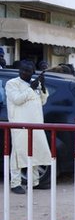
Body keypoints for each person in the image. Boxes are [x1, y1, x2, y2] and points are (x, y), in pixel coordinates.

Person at [6, 61, 52, 193]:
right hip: (19, 124)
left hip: (36, 123)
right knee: (18, 153)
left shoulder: (34, 83)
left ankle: (34, 182)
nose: (24, 73)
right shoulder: (12, 83)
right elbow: (17, 99)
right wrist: (30, 88)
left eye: (28, 70)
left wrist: (42, 86)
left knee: (35, 152)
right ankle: (15, 183)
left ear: (33, 72)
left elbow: (43, 101)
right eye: (22, 70)